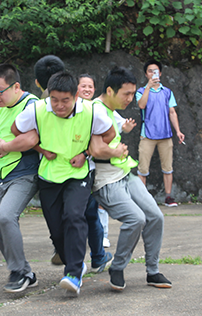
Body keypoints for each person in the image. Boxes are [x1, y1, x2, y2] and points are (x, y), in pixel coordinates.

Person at [12, 71, 118, 294]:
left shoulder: (91, 111)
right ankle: (75, 262)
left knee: (73, 215)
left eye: (65, 100)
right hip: (48, 174)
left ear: (77, 95)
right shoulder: (37, 109)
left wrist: (87, 152)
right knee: (56, 231)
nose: (59, 106)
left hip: (78, 173)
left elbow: (109, 133)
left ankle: (73, 273)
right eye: (54, 100)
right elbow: (16, 130)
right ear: (48, 95)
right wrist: (40, 148)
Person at [91, 66, 172, 291]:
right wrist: (115, 151)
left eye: (132, 93)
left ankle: (153, 271)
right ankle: (117, 267)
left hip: (126, 174)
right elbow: (95, 148)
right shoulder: (94, 111)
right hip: (106, 180)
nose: (130, 99)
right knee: (136, 219)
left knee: (155, 216)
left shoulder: (111, 109)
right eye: (126, 94)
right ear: (110, 90)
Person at [0, 63, 40, 293]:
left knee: (7, 217)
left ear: (16, 86)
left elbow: (32, 139)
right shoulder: (3, 103)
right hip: (1, 172)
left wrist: (6, 146)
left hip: (24, 171)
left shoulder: (31, 105)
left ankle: (18, 272)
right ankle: (26, 271)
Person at [136, 59, 185, 207]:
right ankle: (142, 199)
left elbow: (172, 112)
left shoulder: (167, 92)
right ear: (146, 74)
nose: (153, 73)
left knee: (168, 168)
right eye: (150, 71)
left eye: (155, 71)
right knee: (143, 168)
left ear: (160, 73)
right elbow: (141, 105)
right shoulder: (140, 91)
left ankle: (168, 197)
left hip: (166, 134)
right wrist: (148, 88)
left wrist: (178, 131)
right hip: (147, 134)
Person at [77, 74, 111, 248]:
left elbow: (110, 133)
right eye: (83, 86)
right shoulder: (69, 109)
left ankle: (102, 238)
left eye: (90, 87)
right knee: (83, 209)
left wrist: (88, 152)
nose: (87, 90)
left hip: (95, 164)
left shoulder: (98, 108)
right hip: (77, 167)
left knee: (97, 204)